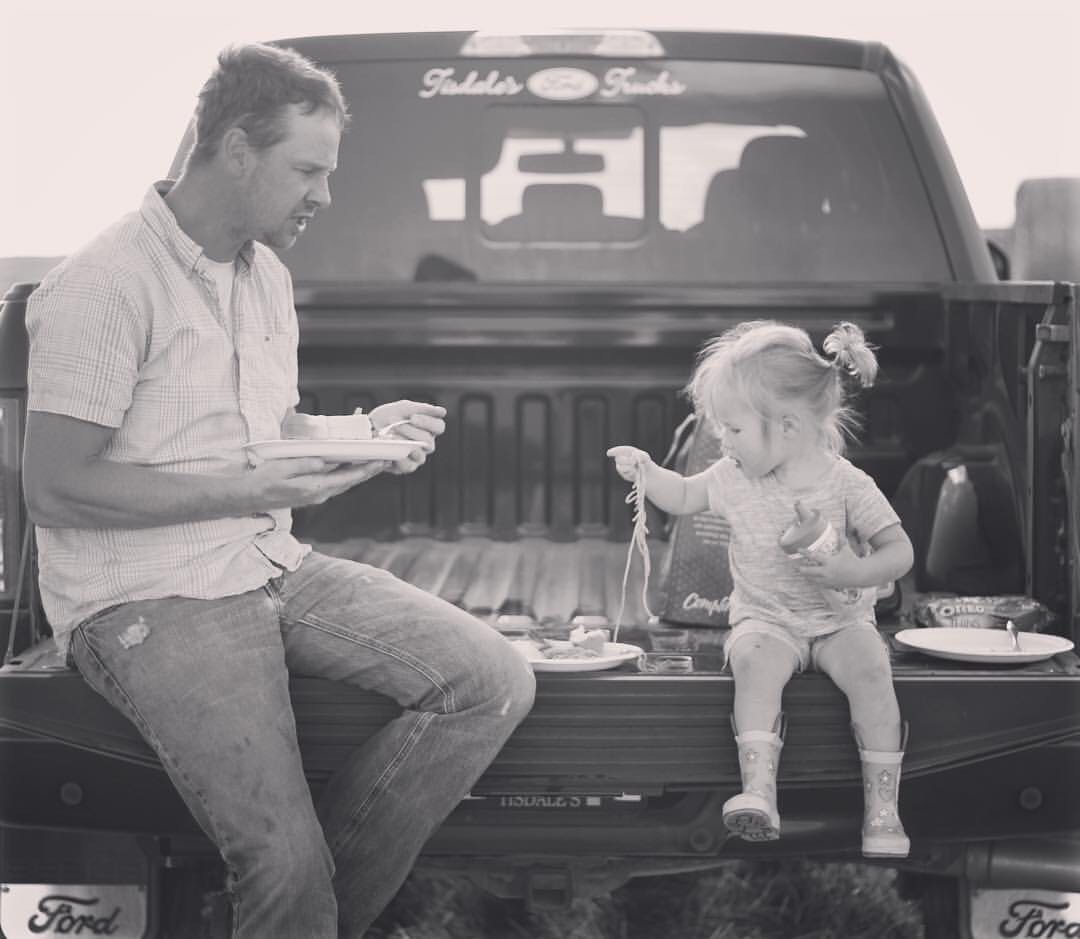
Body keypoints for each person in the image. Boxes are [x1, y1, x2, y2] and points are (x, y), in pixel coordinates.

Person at [22, 42, 535, 937]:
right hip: (144, 600)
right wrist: (243, 486)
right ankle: (293, 905)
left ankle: (300, 917)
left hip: (266, 561)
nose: (324, 195)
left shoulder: (266, 276)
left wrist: (365, 434)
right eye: (308, 169)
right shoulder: (104, 285)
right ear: (234, 149)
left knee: (488, 679)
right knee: (282, 867)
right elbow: (57, 490)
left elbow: (261, 434)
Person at [608, 320, 913, 858]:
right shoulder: (731, 477)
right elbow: (679, 496)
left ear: (789, 427)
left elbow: (899, 551)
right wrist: (647, 471)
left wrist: (851, 571)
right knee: (752, 662)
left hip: (841, 621)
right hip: (767, 620)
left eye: (734, 429)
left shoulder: (846, 484)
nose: (722, 441)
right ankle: (758, 794)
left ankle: (883, 812)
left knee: (872, 670)